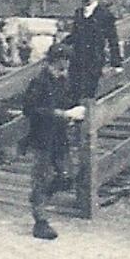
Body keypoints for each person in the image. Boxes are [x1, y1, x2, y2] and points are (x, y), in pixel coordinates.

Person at [23, 43, 85, 240]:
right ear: (51, 63)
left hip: (59, 136)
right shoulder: (39, 82)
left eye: (66, 63)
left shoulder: (63, 82)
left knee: (67, 175)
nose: (64, 67)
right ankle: (40, 220)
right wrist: (61, 114)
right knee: (41, 175)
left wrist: (75, 113)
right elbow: (30, 109)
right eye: (61, 63)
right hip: (42, 136)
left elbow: (68, 103)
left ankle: (38, 198)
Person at [67, 0, 123, 103]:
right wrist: (60, 45)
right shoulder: (79, 13)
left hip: (94, 60)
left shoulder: (105, 14)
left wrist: (116, 63)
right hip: (76, 60)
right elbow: (74, 35)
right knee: (73, 92)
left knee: (89, 93)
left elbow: (113, 39)